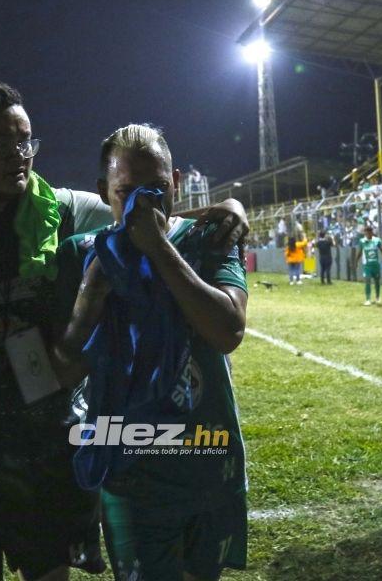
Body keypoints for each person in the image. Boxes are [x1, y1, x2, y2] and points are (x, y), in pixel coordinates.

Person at [0, 82, 249, 581]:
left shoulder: (66, 210)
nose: (18, 157)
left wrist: (227, 209)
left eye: (26, 142)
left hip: (44, 440)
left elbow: (145, 215)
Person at [56, 124, 249, 581]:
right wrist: (90, 296)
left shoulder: (208, 237)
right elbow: (63, 370)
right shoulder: (80, 254)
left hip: (207, 454)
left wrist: (158, 247)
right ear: (104, 191)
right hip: (128, 464)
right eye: (128, 191)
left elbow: (228, 331)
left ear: (177, 183)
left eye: (157, 189)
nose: (145, 203)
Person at [358, 225, 382, 305]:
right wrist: (356, 261)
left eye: (369, 232)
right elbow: (359, 252)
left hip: (376, 264)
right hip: (367, 265)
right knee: (367, 280)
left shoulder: (377, 240)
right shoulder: (362, 241)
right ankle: (368, 299)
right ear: (364, 233)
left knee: (377, 281)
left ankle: (377, 298)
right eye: (366, 232)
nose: (368, 234)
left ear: (372, 233)